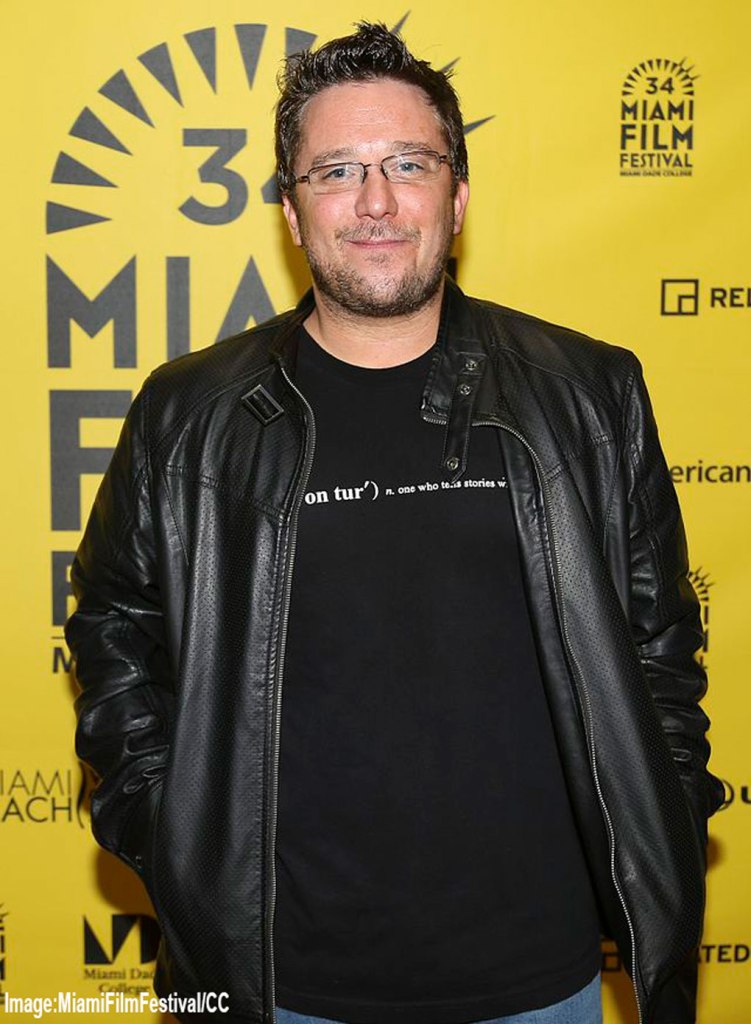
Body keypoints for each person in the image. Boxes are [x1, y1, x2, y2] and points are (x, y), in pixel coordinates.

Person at [66, 22, 724, 1024]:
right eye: (336, 170)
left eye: (407, 163)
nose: (375, 201)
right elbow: (114, 629)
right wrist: (172, 829)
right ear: (292, 210)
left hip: (538, 978)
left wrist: (659, 813)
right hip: (277, 983)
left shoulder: (586, 392)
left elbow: (660, 654)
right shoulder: (187, 413)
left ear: (455, 196)